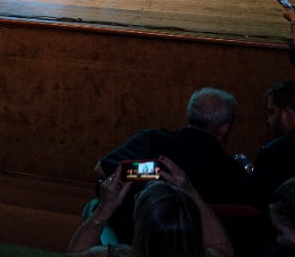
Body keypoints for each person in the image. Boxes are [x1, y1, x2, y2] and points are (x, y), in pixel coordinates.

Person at [95, 88, 251, 244]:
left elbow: (103, 170)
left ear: (189, 115)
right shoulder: (232, 171)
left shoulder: (151, 143)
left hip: (138, 244)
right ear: (224, 128)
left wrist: (147, 173)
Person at [66, 156, 234, 257]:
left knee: (91, 208)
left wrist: (104, 208)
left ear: (140, 224)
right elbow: (223, 247)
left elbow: (74, 255)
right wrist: (191, 192)